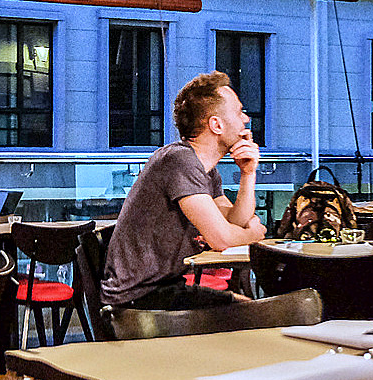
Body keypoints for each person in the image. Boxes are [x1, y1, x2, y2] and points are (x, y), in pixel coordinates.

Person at [102, 71, 266, 309]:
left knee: (252, 309)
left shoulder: (205, 170)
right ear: (216, 125)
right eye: (239, 112)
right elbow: (221, 238)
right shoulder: (180, 161)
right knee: (255, 314)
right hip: (137, 302)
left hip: (162, 291)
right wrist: (255, 234)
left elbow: (234, 221)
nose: (246, 119)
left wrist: (248, 174)